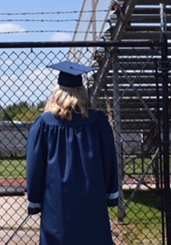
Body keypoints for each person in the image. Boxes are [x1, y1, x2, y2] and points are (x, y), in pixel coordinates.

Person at [26, 61, 119, 245]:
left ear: (57, 91)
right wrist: (110, 194)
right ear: (82, 90)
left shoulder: (44, 123)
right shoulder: (98, 121)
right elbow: (109, 160)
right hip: (92, 200)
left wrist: (34, 200)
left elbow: (35, 165)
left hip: (56, 202)